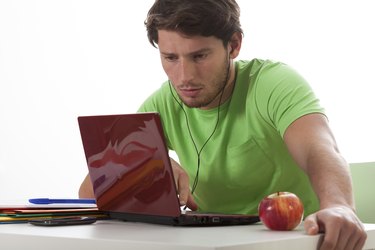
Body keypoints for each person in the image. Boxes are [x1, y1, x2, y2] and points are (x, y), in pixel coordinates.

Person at [79, 0, 367, 249]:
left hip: (293, 241)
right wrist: (146, 167)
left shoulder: (273, 83)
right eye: (170, 58)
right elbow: (90, 191)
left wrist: (339, 206)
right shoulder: (162, 103)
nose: (184, 77)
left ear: (234, 45)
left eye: (199, 56)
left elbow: (319, 150)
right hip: (210, 243)